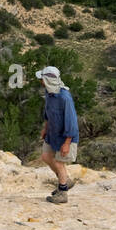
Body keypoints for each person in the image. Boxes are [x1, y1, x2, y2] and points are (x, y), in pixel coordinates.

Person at [36, 65, 79, 204]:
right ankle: (65, 180)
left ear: (47, 80)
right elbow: (48, 114)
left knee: (59, 163)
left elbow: (71, 122)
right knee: (46, 156)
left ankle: (62, 193)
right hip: (52, 133)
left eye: (42, 79)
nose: (40, 81)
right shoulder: (49, 93)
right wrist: (45, 128)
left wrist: (67, 143)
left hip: (66, 136)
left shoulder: (64, 97)